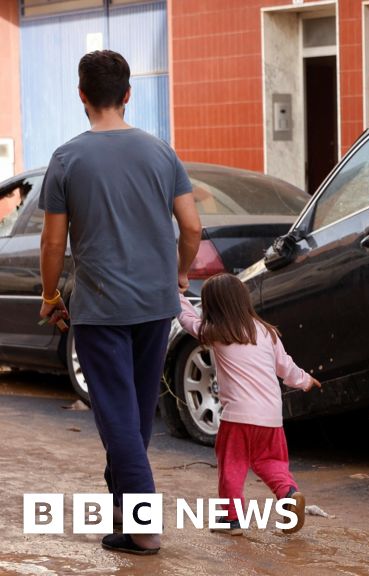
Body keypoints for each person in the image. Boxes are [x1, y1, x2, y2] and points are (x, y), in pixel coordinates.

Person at [38, 50, 202, 555]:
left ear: (82, 96)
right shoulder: (161, 153)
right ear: (128, 94)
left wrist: (49, 294)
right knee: (129, 417)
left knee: (116, 417)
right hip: (156, 305)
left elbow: (52, 242)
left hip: (101, 306)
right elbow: (193, 227)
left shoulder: (67, 159)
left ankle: (145, 527)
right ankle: (127, 518)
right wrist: (177, 275)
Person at [176, 273, 321, 536]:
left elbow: (187, 320)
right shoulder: (267, 332)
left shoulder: (216, 332)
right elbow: (285, 367)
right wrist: (305, 380)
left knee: (232, 466)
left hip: (238, 417)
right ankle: (289, 494)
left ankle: (231, 520)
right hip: (271, 417)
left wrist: (176, 295)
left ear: (212, 307)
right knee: (271, 462)